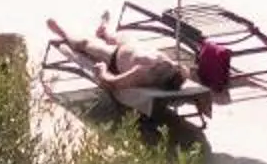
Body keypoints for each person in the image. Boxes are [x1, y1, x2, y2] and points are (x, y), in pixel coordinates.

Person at [45, 16, 185, 102]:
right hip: (134, 45)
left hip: (113, 56)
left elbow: (111, 83)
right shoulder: (171, 67)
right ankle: (104, 31)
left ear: (162, 75)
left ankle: (62, 32)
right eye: (173, 65)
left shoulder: (142, 73)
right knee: (114, 37)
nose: (172, 64)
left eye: (171, 67)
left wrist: (103, 70)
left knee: (84, 43)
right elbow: (187, 72)